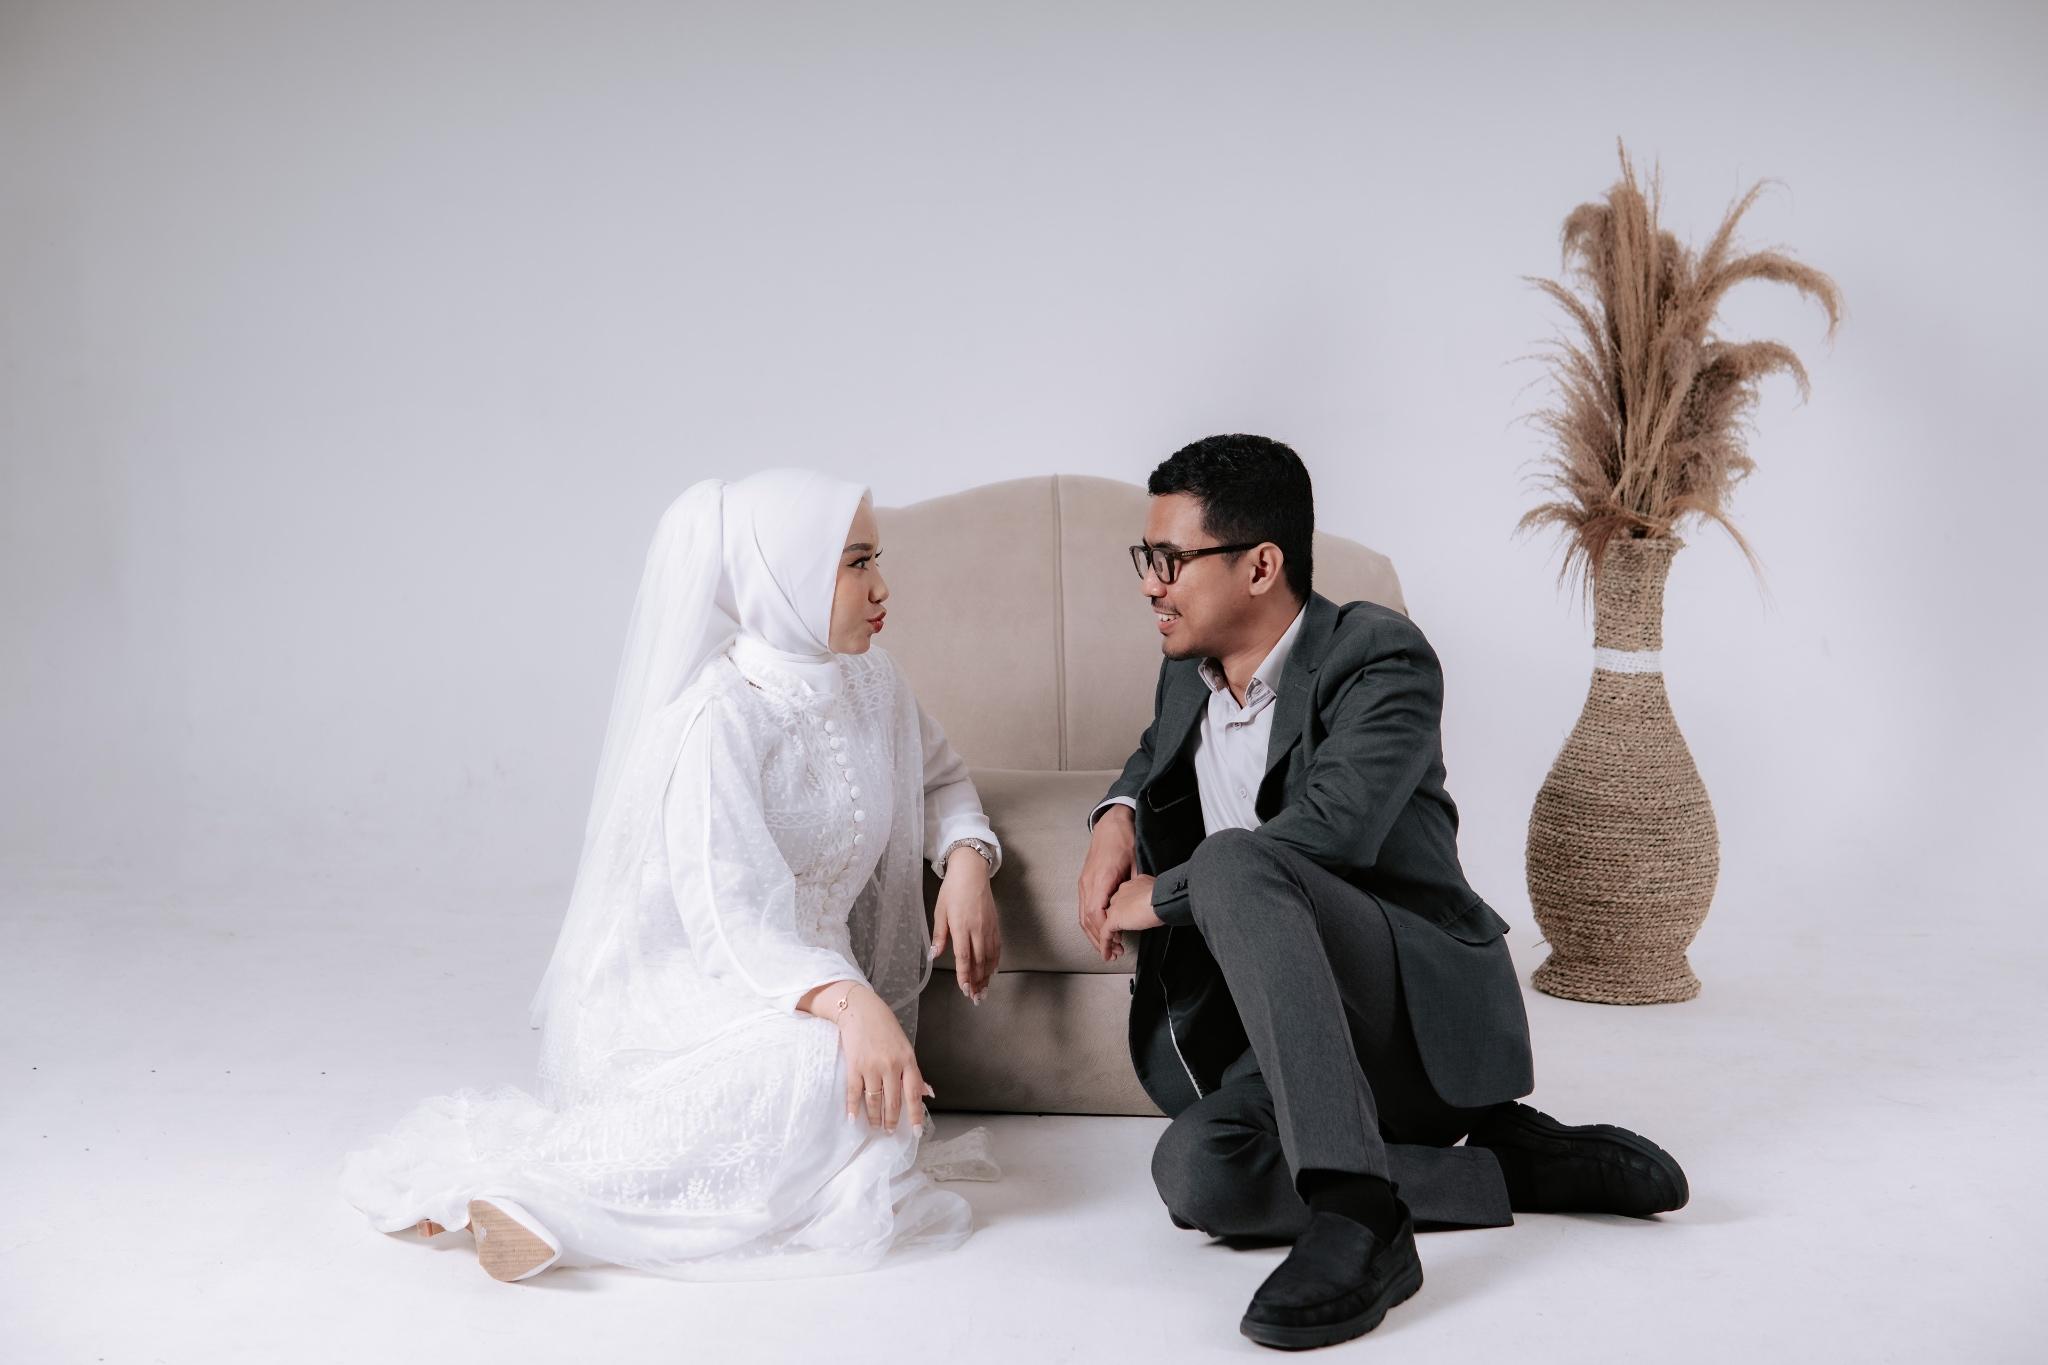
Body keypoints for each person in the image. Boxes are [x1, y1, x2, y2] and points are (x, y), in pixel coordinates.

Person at [1077, 435, 1687, 1350]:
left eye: (1170, 560)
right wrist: (1116, 816)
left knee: (1237, 859)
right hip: (1288, 1036)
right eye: (1146, 557)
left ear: (1260, 566)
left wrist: (1158, 896)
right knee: (1199, 1174)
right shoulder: (1187, 669)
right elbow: (1151, 752)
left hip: (1403, 1013)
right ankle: (1502, 1169)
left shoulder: (1379, 656)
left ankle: (1362, 1214)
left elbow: (1331, 828)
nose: (1149, 584)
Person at [342, 468, 1005, 1281]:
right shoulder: (719, 715)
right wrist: (850, 1002)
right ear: (789, 573)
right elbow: (729, 920)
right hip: (696, 987)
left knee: (864, 1100)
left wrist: (966, 860)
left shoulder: (872, 681)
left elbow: (940, 779)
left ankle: (553, 1202)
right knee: (833, 1074)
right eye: (856, 562)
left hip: (810, 988)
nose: (881, 587)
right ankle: (537, 1195)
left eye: (876, 559)